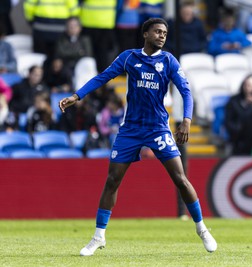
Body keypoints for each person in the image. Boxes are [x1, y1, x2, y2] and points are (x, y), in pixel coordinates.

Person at [58, 18, 217, 256]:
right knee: (112, 180)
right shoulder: (129, 57)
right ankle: (98, 236)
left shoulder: (169, 61)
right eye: (157, 31)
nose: (162, 36)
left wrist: (186, 120)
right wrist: (77, 96)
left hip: (158, 128)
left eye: (165, 32)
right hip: (130, 129)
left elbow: (185, 90)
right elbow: (103, 77)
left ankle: (202, 228)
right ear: (145, 34)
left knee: (180, 178)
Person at [224, 74, 252, 155]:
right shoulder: (233, 101)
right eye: (247, 85)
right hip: (237, 140)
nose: (248, 88)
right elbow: (229, 121)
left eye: (251, 85)